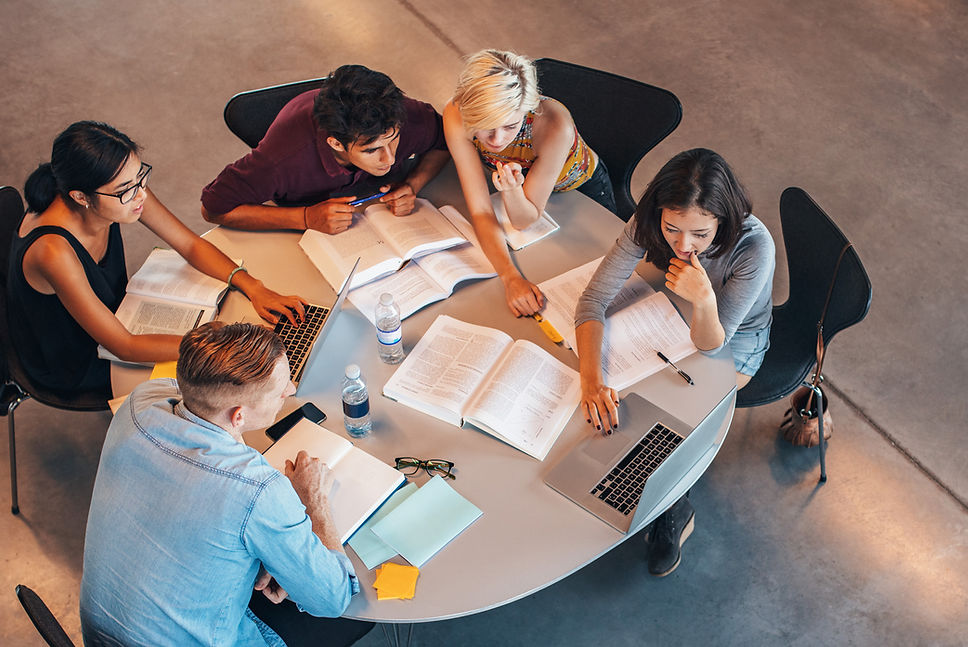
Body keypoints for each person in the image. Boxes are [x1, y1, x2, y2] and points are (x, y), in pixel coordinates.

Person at [80, 322, 374, 646]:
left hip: (101, 635)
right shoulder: (257, 491)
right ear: (238, 416)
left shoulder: (141, 401)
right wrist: (313, 501)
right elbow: (333, 598)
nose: (290, 389)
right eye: (282, 389)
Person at [574, 148, 775, 576]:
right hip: (668, 314)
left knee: (673, 410)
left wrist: (703, 299)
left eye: (701, 235)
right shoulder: (647, 224)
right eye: (672, 229)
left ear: (723, 220)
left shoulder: (753, 247)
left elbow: (713, 347)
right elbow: (592, 300)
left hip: (733, 340)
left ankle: (672, 504)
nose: (683, 246)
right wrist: (591, 380)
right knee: (620, 391)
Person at [7, 121, 306, 399]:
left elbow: (189, 244)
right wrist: (221, 340)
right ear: (81, 197)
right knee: (218, 387)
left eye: (140, 178)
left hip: (117, 315)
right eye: (126, 190)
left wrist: (252, 286)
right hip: (78, 357)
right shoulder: (53, 251)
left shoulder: (119, 188)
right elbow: (122, 346)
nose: (140, 196)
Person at [443, 49, 617, 318]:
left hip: (580, 189)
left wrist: (512, 191)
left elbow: (524, 220)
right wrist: (510, 277)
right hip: (518, 185)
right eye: (486, 126)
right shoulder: (456, 115)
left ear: (528, 108)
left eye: (510, 126)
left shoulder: (554, 125)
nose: (497, 140)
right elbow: (480, 209)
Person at [201, 64, 451, 233]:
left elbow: (445, 141)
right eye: (371, 150)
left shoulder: (402, 115)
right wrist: (305, 218)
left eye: (393, 139)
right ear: (336, 144)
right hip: (310, 221)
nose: (390, 157)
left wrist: (413, 185)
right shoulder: (282, 158)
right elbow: (214, 209)